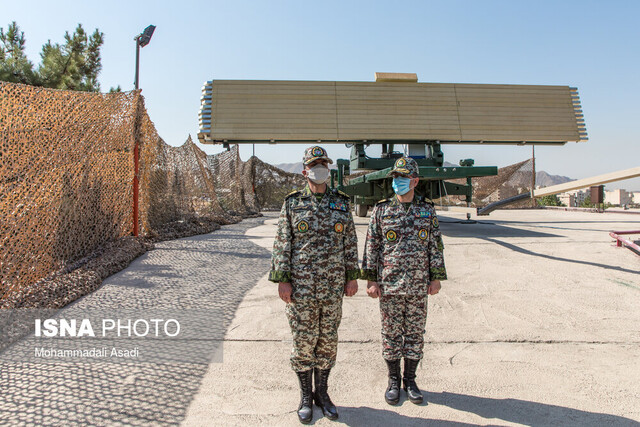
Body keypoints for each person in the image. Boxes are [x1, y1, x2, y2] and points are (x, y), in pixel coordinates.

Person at [269, 145, 359, 424]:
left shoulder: (342, 203)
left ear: (328, 168)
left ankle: (323, 394)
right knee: (303, 343)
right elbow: (283, 244)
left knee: (328, 343)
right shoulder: (293, 203)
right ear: (305, 169)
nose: (320, 167)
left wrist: (351, 276)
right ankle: (306, 397)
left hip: (333, 288)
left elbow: (350, 242)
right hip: (302, 288)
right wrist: (283, 281)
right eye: (315, 163)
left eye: (324, 163)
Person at [360, 156, 447, 405]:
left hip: (419, 284)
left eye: (403, 177)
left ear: (414, 180)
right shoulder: (381, 210)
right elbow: (372, 247)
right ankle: (393, 380)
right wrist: (371, 280)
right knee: (390, 333)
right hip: (390, 284)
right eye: (395, 178)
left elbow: (435, 246)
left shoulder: (426, 210)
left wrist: (436, 277)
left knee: (415, 333)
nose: (398, 182)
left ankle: (410, 380)